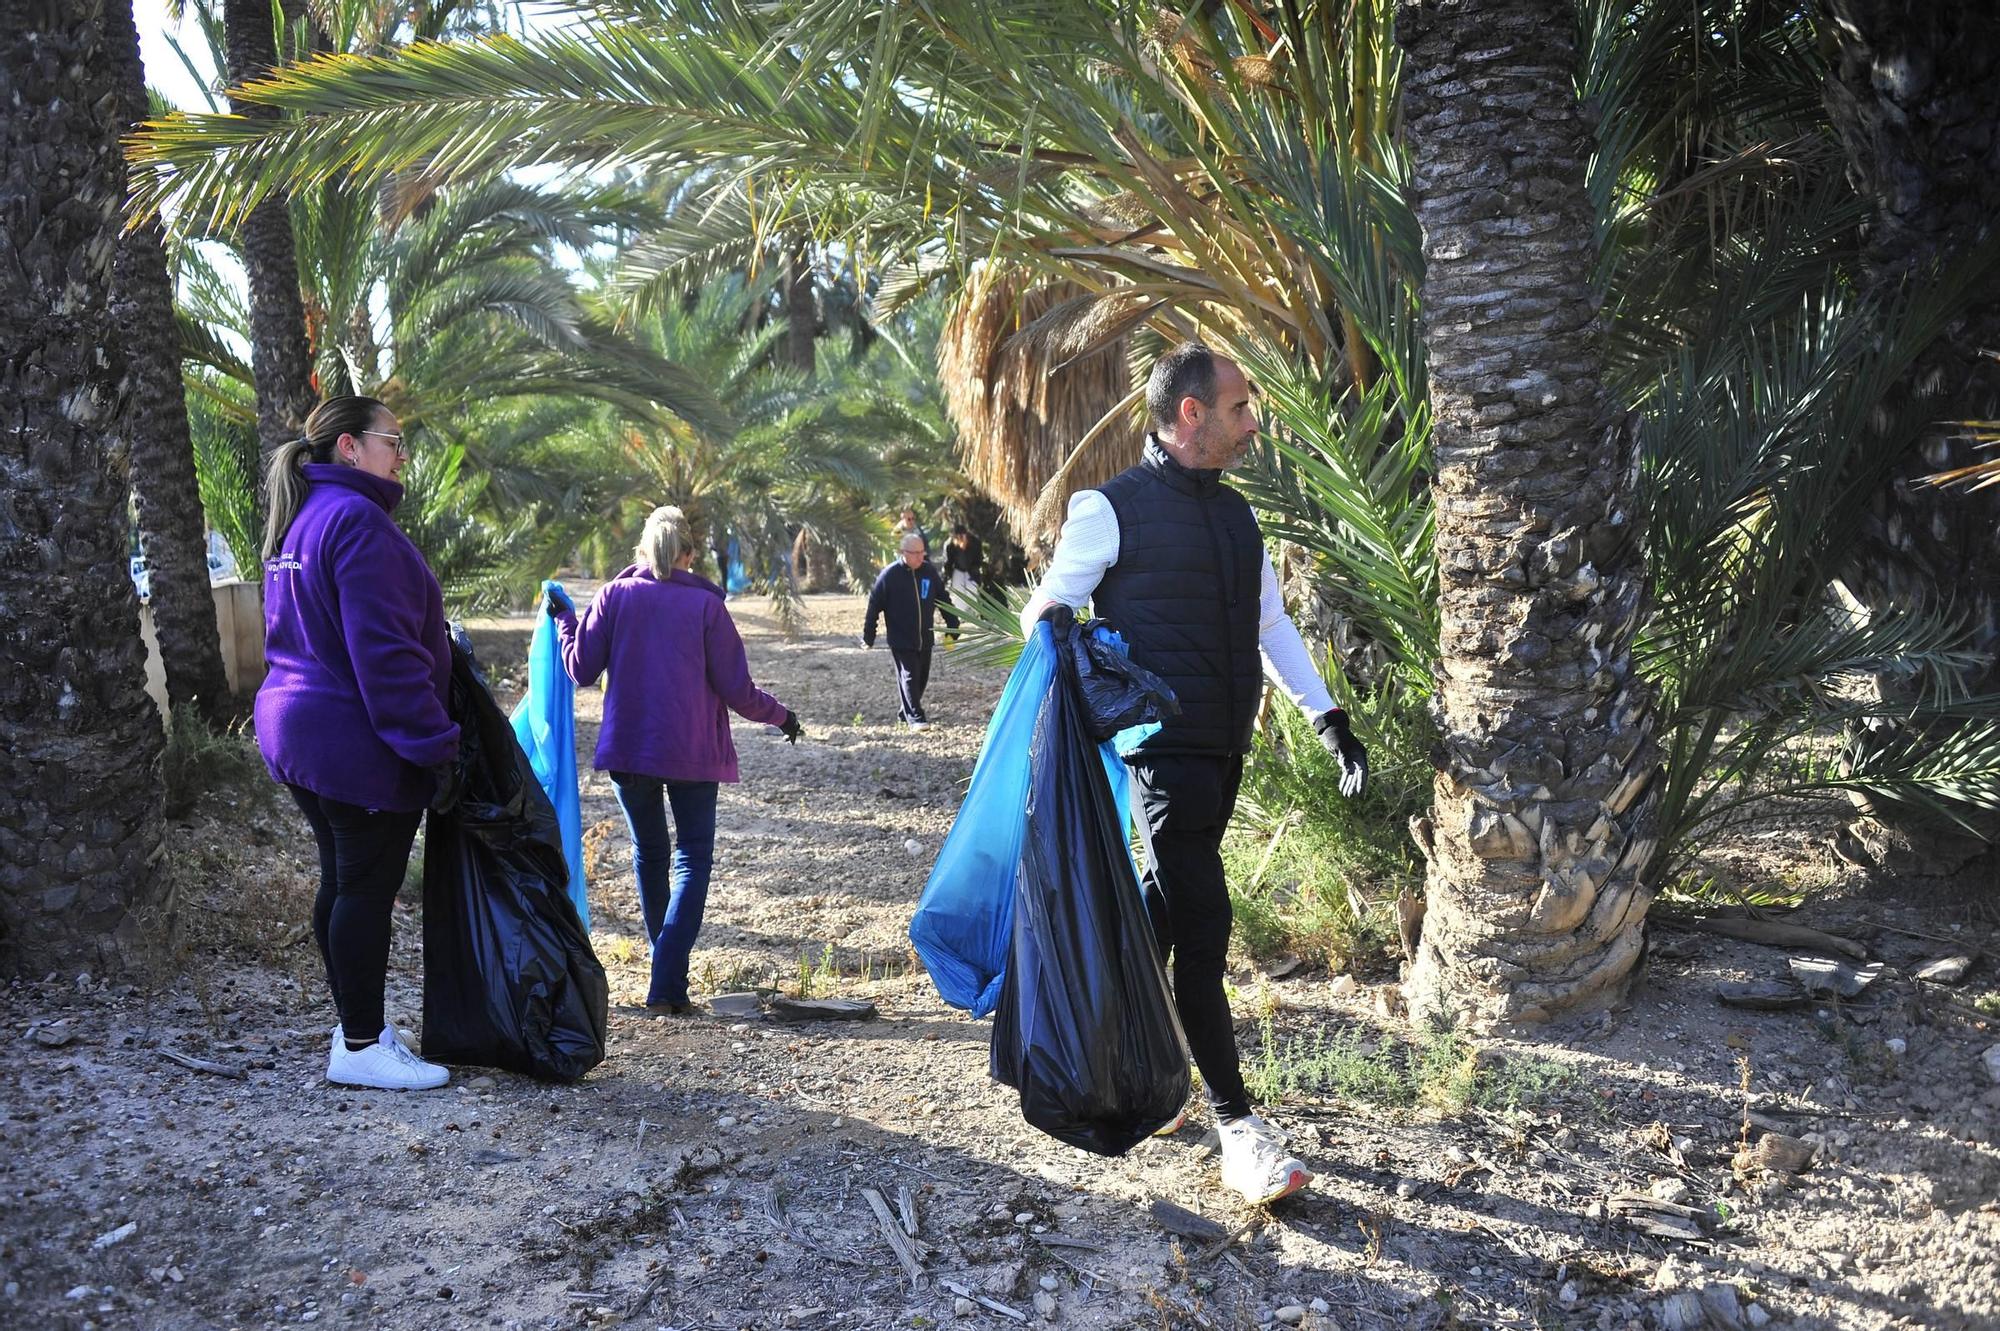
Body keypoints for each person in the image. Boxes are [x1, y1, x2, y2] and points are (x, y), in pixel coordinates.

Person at [1020, 341, 1370, 1205]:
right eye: (1241, 408)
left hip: (1222, 750)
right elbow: (1044, 614)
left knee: (1163, 913)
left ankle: (1122, 1060)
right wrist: (1099, 668)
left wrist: (1328, 717)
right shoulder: (1109, 509)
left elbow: (1273, 628)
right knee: (1207, 924)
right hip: (1159, 750)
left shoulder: (1236, 517)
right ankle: (1238, 1127)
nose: (1253, 423)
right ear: (1190, 415)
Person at [256, 395, 460, 1092]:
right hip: (353, 742)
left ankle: (357, 1028)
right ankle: (361, 1042)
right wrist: (436, 744)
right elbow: (386, 655)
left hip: (298, 732)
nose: (402, 454)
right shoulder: (356, 522)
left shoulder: (303, 518)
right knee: (365, 889)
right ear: (349, 446)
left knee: (343, 879)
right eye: (392, 440)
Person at [551, 506, 803, 1014]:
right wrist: (783, 717)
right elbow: (738, 689)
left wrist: (564, 621)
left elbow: (579, 669)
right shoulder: (708, 608)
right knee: (692, 859)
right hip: (692, 753)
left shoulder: (613, 597)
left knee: (651, 855)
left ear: (642, 551)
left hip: (630, 750)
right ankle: (666, 981)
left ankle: (664, 970)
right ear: (689, 555)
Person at [863, 532, 960, 730]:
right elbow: (874, 606)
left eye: (922, 552)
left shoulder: (929, 572)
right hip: (901, 638)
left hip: (925, 637)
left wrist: (953, 626)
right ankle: (916, 717)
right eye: (914, 553)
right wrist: (869, 636)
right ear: (903, 552)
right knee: (909, 675)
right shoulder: (889, 576)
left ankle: (904, 712)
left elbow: (943, 599)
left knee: (921, 677)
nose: (919, 557)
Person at [943, 524, 983, 597]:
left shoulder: (976, 543)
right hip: (958, 571)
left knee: (972, 595)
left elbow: (979, 559)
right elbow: (948, 563)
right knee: (958, 597)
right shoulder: (950, 546)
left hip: (972, 572)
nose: (960, 539)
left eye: (962, 536)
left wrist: (975, 570)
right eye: (957, 538)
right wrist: (947, 576)